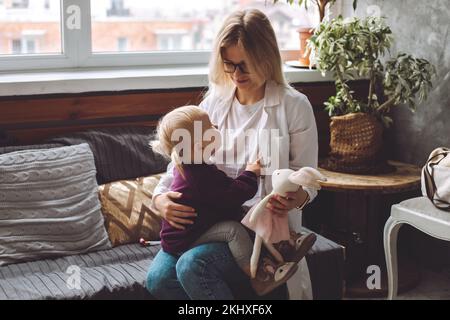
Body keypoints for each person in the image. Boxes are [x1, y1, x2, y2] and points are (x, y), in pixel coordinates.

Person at [147, 8, 319, 300]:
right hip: (210, 221)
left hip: (258, 229)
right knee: (158, 279)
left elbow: (309, 179)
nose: (236, 74)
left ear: (266, 59)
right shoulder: (213, 103)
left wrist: (297, 197)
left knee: (193, 265)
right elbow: (180, 163)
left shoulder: (294, 106)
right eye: (229, 65)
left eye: (245, 65)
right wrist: (160, 198)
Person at [149, 105, 301, 296]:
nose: (216, 125)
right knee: (233, 231)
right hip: (189, 237)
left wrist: (300, 195)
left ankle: (273, 250)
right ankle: (259, 275)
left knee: (193, 265)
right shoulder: (201, 173)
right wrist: (250, 173)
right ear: (199, 145)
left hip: (178, 238)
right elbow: (233, 195)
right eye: (210, 127)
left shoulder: (189, 164)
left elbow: (304, 176)